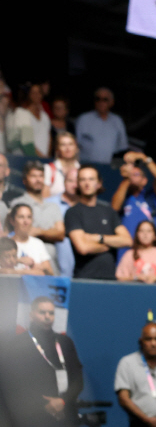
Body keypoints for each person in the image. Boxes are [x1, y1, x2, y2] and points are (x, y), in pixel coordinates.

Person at [1, 296, 83, 427]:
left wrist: (62, 401)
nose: (47, 317)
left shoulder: (65, 343)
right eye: (42, 312)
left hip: (66, 414)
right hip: (32, 416)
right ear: (31, 315)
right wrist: (44, 405)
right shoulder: (18, 345)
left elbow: (77, 379)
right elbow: (13, 385)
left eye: (51, 313)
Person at [65, 165, 132, 279]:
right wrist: (110, 245)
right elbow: (83, 248)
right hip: (85, 279)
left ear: (99, 183)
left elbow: (128, 240)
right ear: (78, 184)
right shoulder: (73, 213)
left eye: (91, 179)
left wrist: (98, 238)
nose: (87, 183)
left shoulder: (109, 211)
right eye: (82, 179)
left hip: (110, 279)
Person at [10, 160, 65, 271]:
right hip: (26, 264)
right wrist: (50, 232)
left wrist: (39, 231)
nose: (38, 179)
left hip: (51, 264)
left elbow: (60, 234)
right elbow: (20, 233)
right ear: (24, 180)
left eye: (41, 176)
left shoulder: (53, 206)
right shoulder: (17, 204)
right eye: (33, 176)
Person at [111, 151, 156, 261]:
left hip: (149, 252)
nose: (132, 176)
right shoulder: (124, 197)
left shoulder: (151, 197)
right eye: (130, 174)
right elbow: (115, 208)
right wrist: (126, 178)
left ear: (144, 181)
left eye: (135, 174)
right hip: (126, 252)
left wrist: (143, 157)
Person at [75, 87, 128, 164]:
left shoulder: (117, 121)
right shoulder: (83, 119)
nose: (101, 102)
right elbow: (76, 145)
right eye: (98, 99)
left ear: (112, 102)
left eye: (105, 99)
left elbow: (122, 147)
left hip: (109, 167)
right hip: (87, 166)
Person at [46, 168, 79, 277]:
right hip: (55, 269)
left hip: (81, 270)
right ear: (64, 182)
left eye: (77, 181)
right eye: (70, 181)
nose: (74, 185)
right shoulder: (49, 204)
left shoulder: (88, 206)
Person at [5, 204, 54, 275]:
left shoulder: (38, 243)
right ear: (12, 221)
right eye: (21, 217)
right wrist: (19, 262)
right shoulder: (4, 243)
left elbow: (50, 272)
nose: (26, 221)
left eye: (29, 217)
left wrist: (35, 266)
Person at [5, 82, 51, 157]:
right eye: (33, 92)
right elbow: (27, 142)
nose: (36, 95)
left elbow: (49, 137)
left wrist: (46, 157)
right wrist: (39, 158)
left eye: (38, 92)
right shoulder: (22, 114)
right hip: (27, 158)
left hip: (44, 158)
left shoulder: (45, 116)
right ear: (28, 95)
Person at [43, 131, 80, 197]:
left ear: (76, 147)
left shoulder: (81, 170)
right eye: (63, 145)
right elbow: (45, 200)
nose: (67, 148)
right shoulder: (49, 169)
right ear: (57, 149)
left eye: (71, 144)